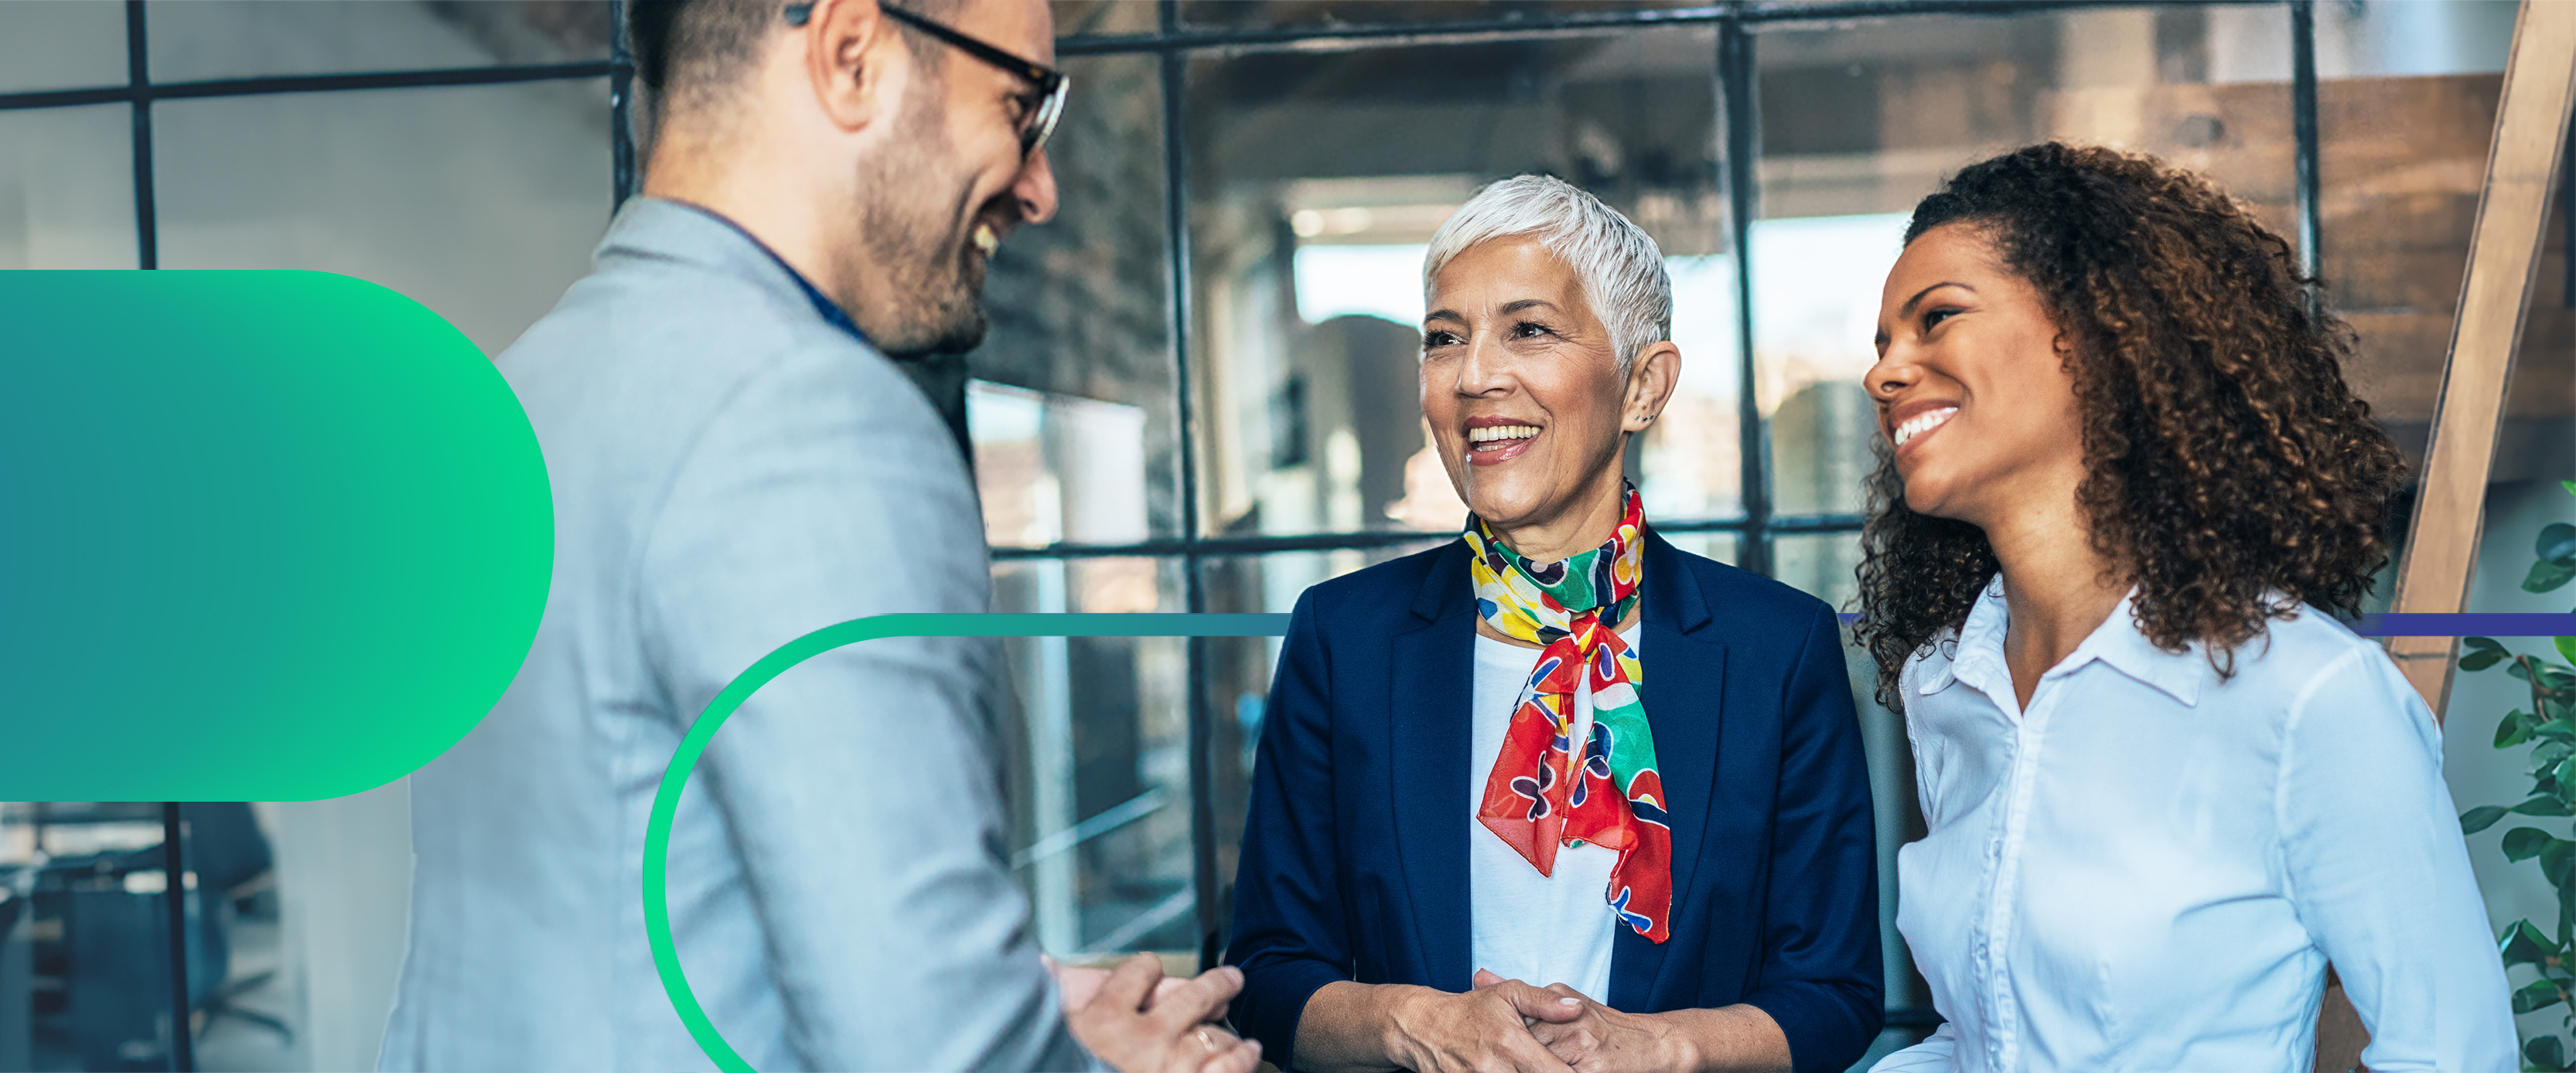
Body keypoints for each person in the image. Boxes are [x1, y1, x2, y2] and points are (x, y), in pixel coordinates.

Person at [381, 1, 1254, 1070]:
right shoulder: (808, 417)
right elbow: (931, 1055)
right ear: (850, 55)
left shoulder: (522, 395)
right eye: (1021, 106)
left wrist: (1027, 1015)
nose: (1040, 187)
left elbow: (616, 925)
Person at [1854, 142, 2512, 1071]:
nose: (1884, 372)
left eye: (1935, 320)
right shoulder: (1944, 685)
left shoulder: (2306, 693)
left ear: (2094, 334)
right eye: (1882, 344)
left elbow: (2453, 1053)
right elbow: (1978, 1037)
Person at [1220, 175, 1885, 1073]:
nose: (1474, 376)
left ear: (1643, 386)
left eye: (1527, 329)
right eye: (1444, 338)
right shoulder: (1343, 638)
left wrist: (1653, 1046)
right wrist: (1413, 1022)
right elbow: (1264, 973)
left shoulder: (1776, 648)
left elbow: (1833, 992)